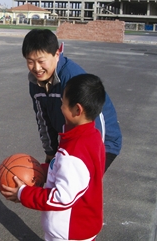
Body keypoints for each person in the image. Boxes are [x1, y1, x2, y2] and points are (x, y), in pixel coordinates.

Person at [2, 73, 107, 241]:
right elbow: (72, 174)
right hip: (83, 224)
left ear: (77, 110)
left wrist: (23, 193)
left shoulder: (73, 151)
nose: (60, 107)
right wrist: (40, 170)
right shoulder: (92, 136)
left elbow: (62, 197)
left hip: (70, 233)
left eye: (63, 103)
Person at [22, 29, 122, 171]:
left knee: (78, 186)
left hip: (101, 142)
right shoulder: (35, 83)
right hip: (70, 141)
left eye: (41, 61)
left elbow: (95, 123)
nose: (37, 68)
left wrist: (91, 159)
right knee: (58, 182)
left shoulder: (73, 79)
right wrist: (50, 152)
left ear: (57, 54)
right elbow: (43, 120)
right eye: (30, 62)